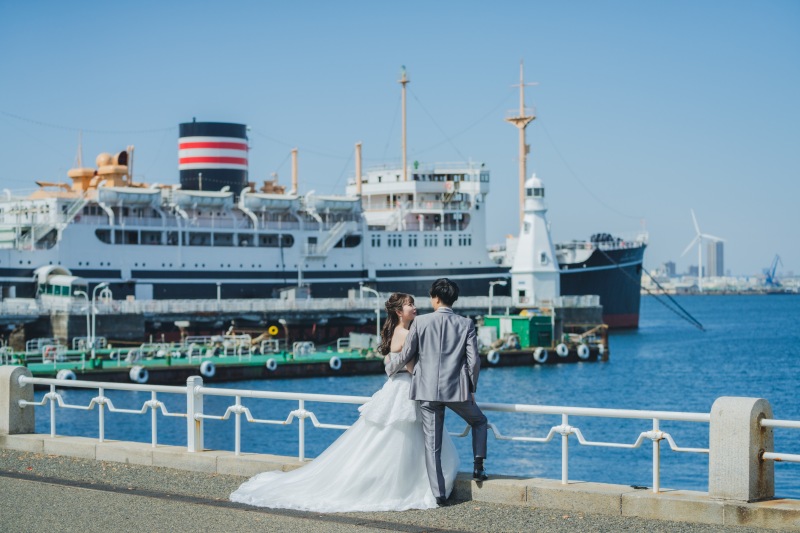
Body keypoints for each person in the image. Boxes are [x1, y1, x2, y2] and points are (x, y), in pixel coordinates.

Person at [230, 293, 459, 512]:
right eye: (410, 304)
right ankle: (407, 484)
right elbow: (411, 368)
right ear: (399, 311)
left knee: (392, 438)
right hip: (407, 390)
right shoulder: (405, 333)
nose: (415, 308)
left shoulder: (396, 332)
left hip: (398, 388)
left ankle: (395, 481)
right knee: (405, 438)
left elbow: (391, 365)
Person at [385, 278, 489, 506]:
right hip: (457, 391)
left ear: (435, 298)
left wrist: (390, 368)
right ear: (454, 299)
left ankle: (439, 495)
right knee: (480, 421)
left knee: (432, 445)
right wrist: (472, 388)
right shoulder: (466, 324)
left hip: (426, 390)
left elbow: (407, 354)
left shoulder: (420, 322)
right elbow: (474, 362)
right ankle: (478, 467)